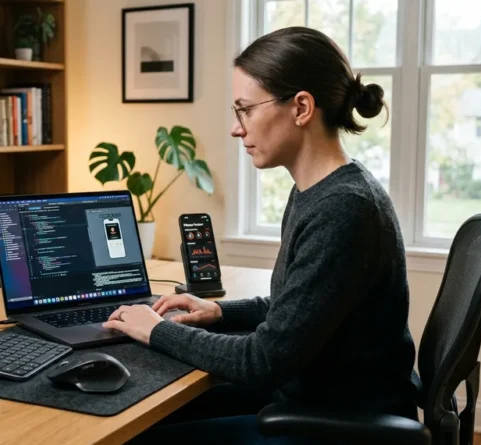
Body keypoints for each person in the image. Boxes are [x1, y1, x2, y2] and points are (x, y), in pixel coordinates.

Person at [103, 26, 421, 444]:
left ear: (301, 107)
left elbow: (262, 361)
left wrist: (157, 330)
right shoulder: (319, 190)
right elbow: (300, 304)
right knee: (150, 412)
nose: (236, 129)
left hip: (336, 420)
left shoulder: (344, 207)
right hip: (315, 394)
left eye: (245, 110)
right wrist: (219, 312)